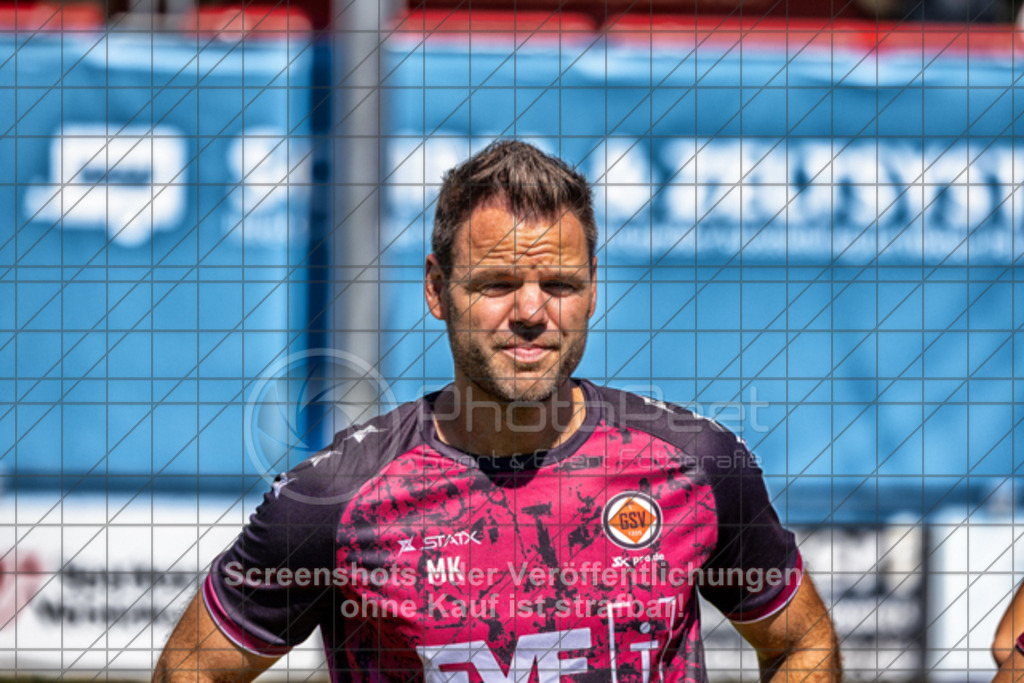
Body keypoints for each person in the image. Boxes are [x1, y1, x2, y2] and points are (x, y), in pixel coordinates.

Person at [154, 140, 841, 682]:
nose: (532, 312)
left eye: (560, 284)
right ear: (435, 288)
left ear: (594, 289)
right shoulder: (334, 499)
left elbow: (802, 640)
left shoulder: (696, 466)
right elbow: (193, 667)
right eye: (498, 283)